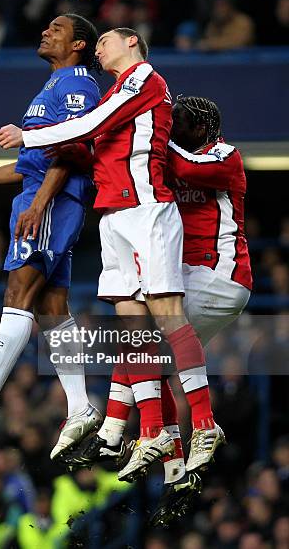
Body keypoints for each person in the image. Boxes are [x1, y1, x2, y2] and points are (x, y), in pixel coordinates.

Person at [0, 28, 225, 480]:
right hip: (113, 217)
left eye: (104, 42)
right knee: (133, 327)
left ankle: (203, 422)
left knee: (167, 315)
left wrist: (30, 136)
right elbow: (86, 142)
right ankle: (157, 434)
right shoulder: (118, 88)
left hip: (146, 211)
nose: (97, 48)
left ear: (132, 41)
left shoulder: (145, 79)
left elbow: (90, 127)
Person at [66, 95, 252, 526]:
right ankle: (174, 466)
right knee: (143, 343)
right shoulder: (158, 163)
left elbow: (185, 168)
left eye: (179, 120)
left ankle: (127, 427)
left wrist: (149, 133)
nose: (171, 123)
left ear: (204, 126)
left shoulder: (224, 154)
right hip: (190, 278)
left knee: (140, 319)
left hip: (219, 275)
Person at [0, 14, 103, 461]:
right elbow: (32, 163)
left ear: (80, 44)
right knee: (51, 307)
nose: (46, 32)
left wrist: (41, 203)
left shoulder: (78, 87)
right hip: (44, 199)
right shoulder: (54, 85)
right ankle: (81, 405)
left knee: (17, 292)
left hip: (51, 203)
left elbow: (72, 150)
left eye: (57, 29)